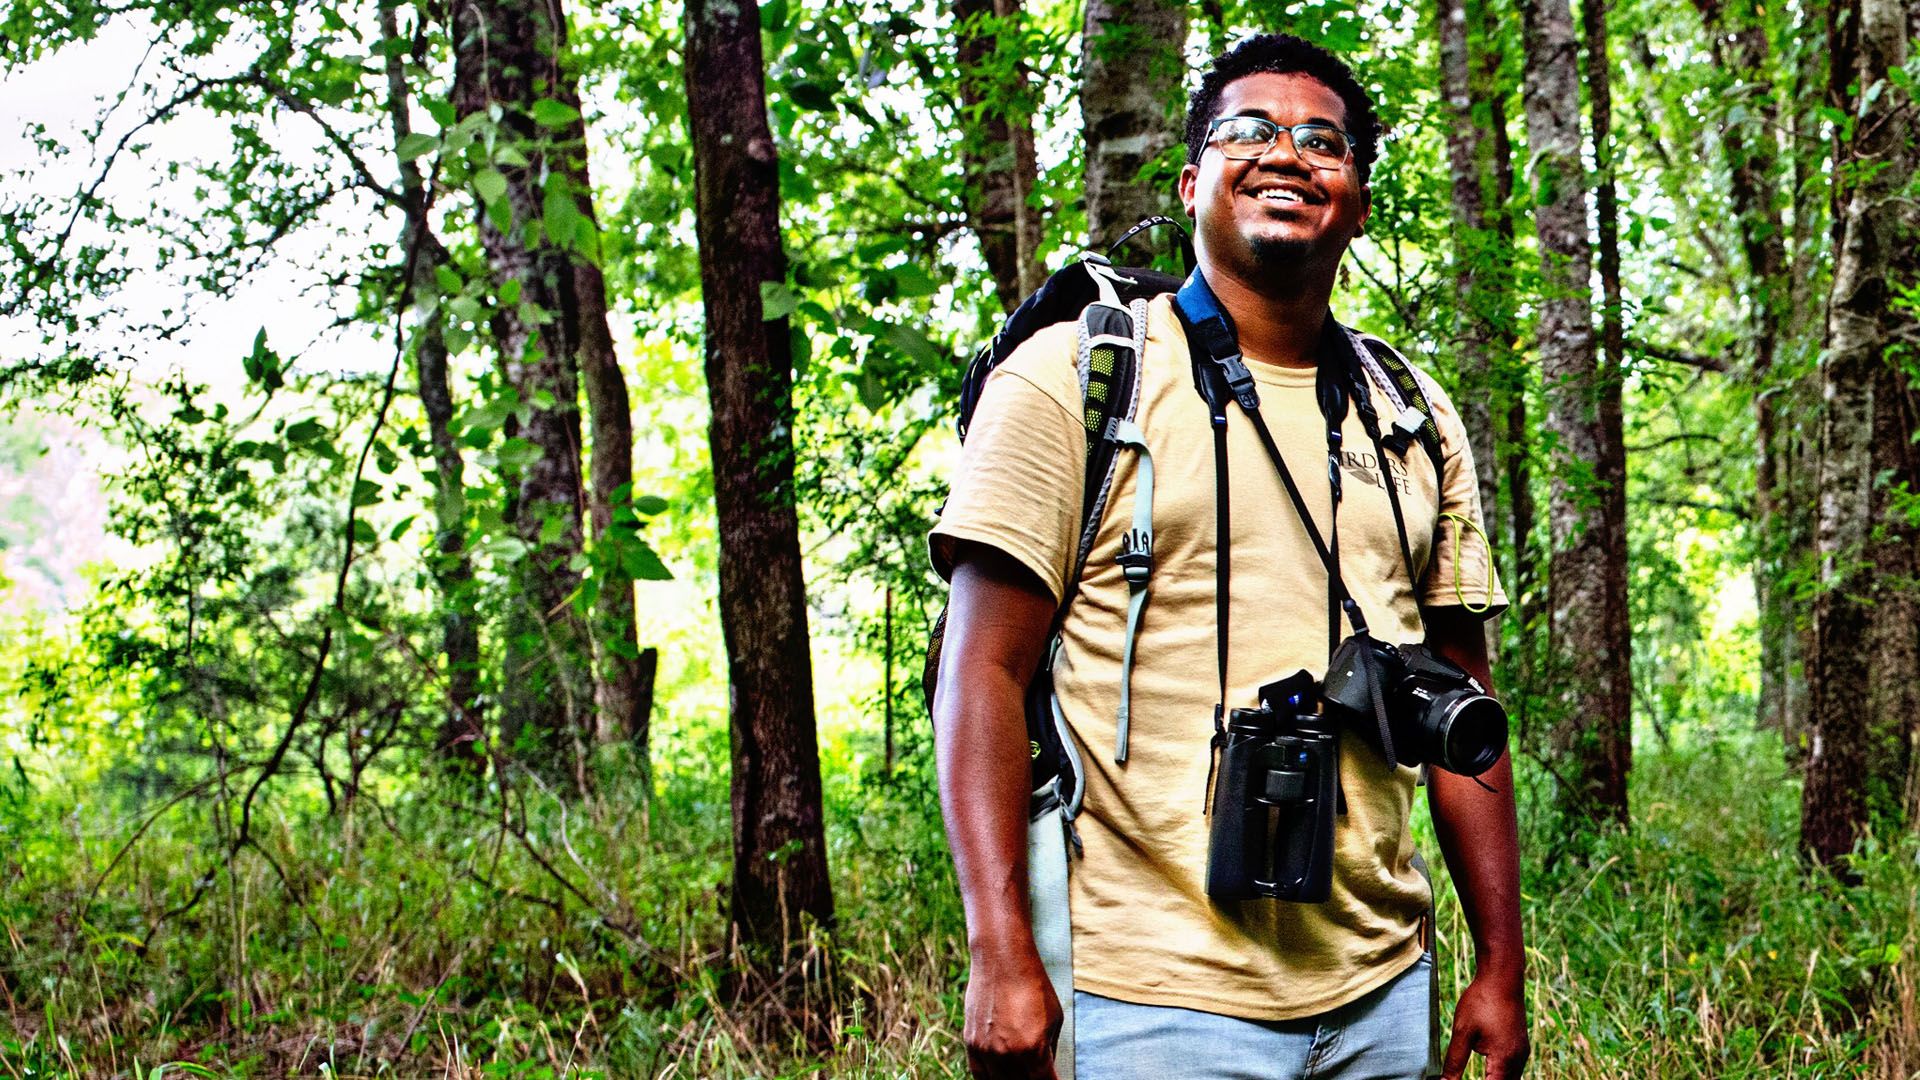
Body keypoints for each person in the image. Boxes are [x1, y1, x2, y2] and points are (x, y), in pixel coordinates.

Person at [927, 34, 1529, 1080]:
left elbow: (1464, 698)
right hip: (1151, 994)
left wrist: (1501, 966)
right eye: (1248, 130)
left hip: (1385, 984)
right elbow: (981, 671)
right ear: (1192, 178)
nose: (1286, 154)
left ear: (1360, 199)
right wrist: (999, 951)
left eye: (1322, 141)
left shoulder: (1414, 416)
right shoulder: (1076, 377)